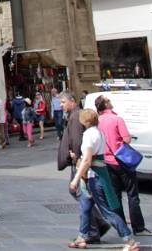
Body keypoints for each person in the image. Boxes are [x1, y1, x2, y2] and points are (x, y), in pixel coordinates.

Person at [68, 108, 138, 251]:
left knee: (106, 211)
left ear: (85, 121)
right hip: (98, 173)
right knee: (86, 207)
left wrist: (75, 179)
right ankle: (82, 236)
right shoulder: (99, 132)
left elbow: (87, 159)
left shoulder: (89, 135)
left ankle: (129, 239)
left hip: (94, 176)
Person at [95, 95, 152, 237]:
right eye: (108, 100)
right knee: (132, 195)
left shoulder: (97, 121)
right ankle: (138, 228)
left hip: (108, 162)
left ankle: (122, 227)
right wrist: (127, 138)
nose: (110, 102)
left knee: (115, 195)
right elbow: (126, 139)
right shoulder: (117, 119)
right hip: (122, 161)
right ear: (106, 105)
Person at [58, 91, 110, 244]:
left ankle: (93, 230)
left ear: (72, 101)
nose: (61, 105)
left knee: (81, 194)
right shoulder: (74, 116)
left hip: (80, 162)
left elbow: (76, 140)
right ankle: (99, 224)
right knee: (82, 195)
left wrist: (75, 157)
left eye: (63, 102)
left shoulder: (75, 117)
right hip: (80, 161)